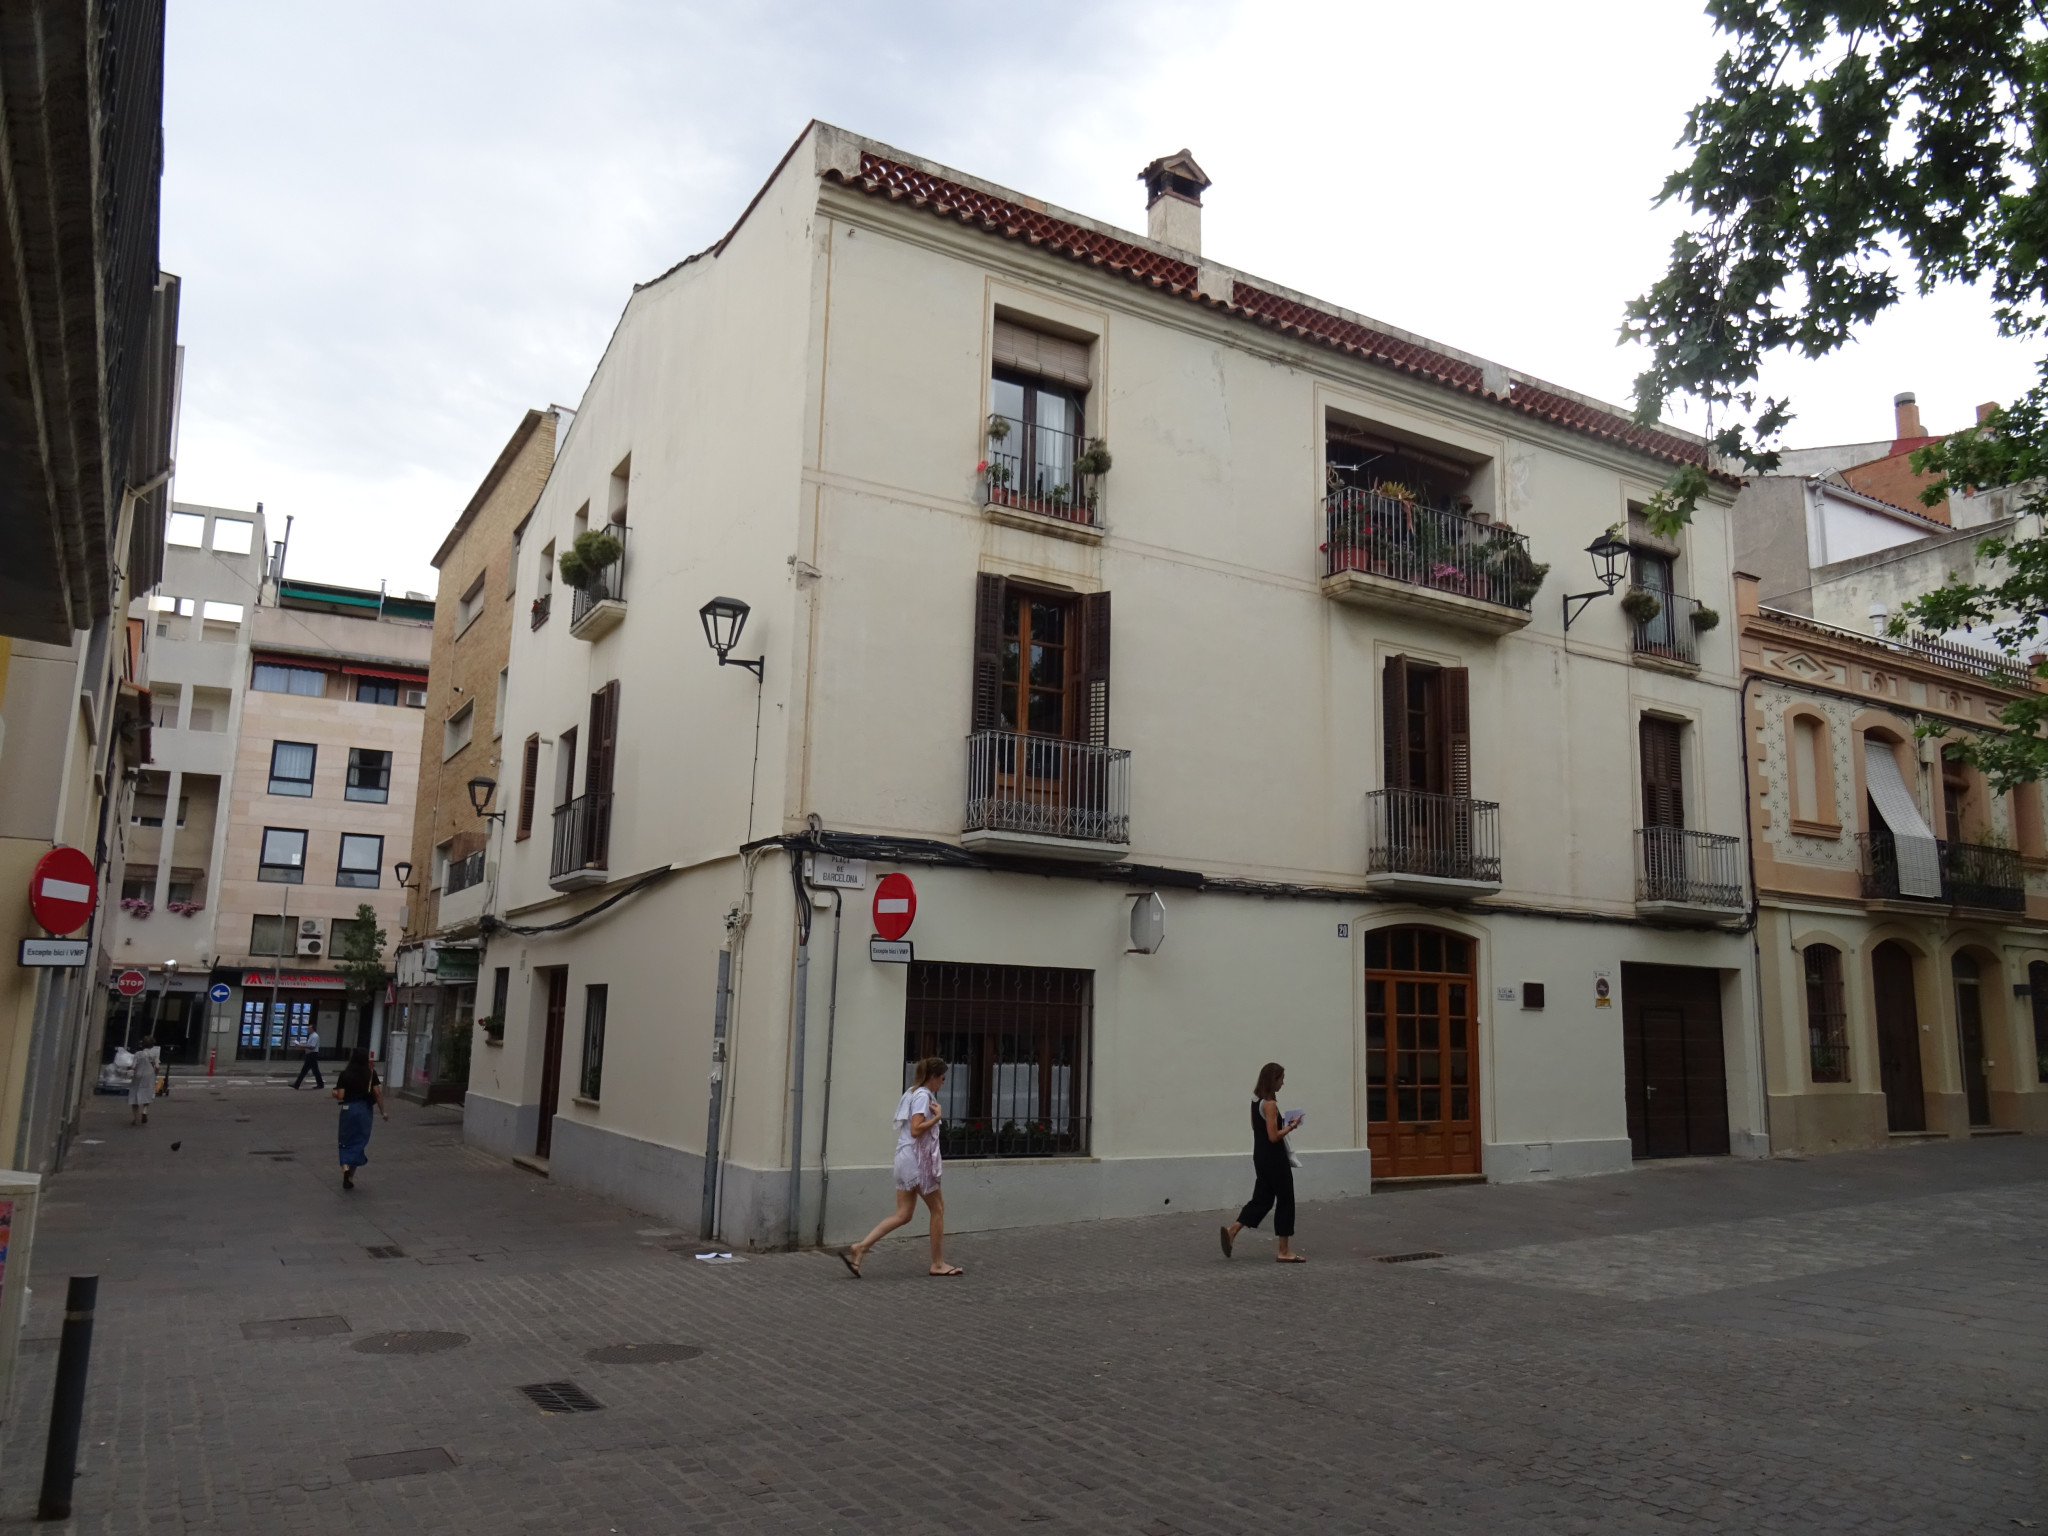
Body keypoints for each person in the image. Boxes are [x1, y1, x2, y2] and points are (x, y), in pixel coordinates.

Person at [840, 1056, 961, 1278]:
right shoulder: (923, 1096)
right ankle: (938, 1263)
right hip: (918, 1161)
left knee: (904, 1214)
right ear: (933, 1077)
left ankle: (861, 1247)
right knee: (937, 1209)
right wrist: (937, 1118)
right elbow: (916, 1129)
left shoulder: (911, 1093)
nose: (943, 1082)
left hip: (905, 1159)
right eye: (942, 1078)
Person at [1220, 1061, 1305, 1263]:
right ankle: (1284, 1251)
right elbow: (1273, 1137)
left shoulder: (1255, 1101)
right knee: (1286, 1200)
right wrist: (1291, 1126)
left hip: (1260, 1156)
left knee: (1263, 1199)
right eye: (1281, 1079)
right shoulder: (1270, 1104)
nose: (1283, 1083)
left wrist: (1279, 1123)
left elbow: (1255, 1126)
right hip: (1275, 1158)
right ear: (1273, 1080)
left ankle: (1232, 1231)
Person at [332, 1048, 388, 1190]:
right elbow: (377, 1093)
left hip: (348, 1110)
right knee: (359, 1142)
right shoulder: (370, 1074)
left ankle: (345, 1167)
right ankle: (350, 1176)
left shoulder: (345, 1074)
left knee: (345, 1141)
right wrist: (383, 1112)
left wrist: (334, 1093)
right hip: (364, 1111)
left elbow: (340, 1096)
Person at [127, 1035, 161, 1127]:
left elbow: (133, 1066)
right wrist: (156, 1073)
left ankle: (135, 1119)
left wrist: (129, 1069)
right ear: (152, 1045)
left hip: (138, 1075)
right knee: (148, 1093)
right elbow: (157, 1066)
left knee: (135, 1094)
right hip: (149, 1075)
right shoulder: (154, 1054)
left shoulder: (138, 1054)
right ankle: (145, 1110)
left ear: (142, 1044)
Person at [291, 1026, 324, 1090]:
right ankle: (320, 1084)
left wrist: (302, 1046)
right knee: (314, 1071)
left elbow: (312, 1047)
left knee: (306, 1070)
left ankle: (296, 1085)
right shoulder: (311, 1035)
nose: (307, 1029)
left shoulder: (315, 1036)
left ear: (312, 1029)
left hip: (312, 1055)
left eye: (309, 1028)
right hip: (310, 1054)